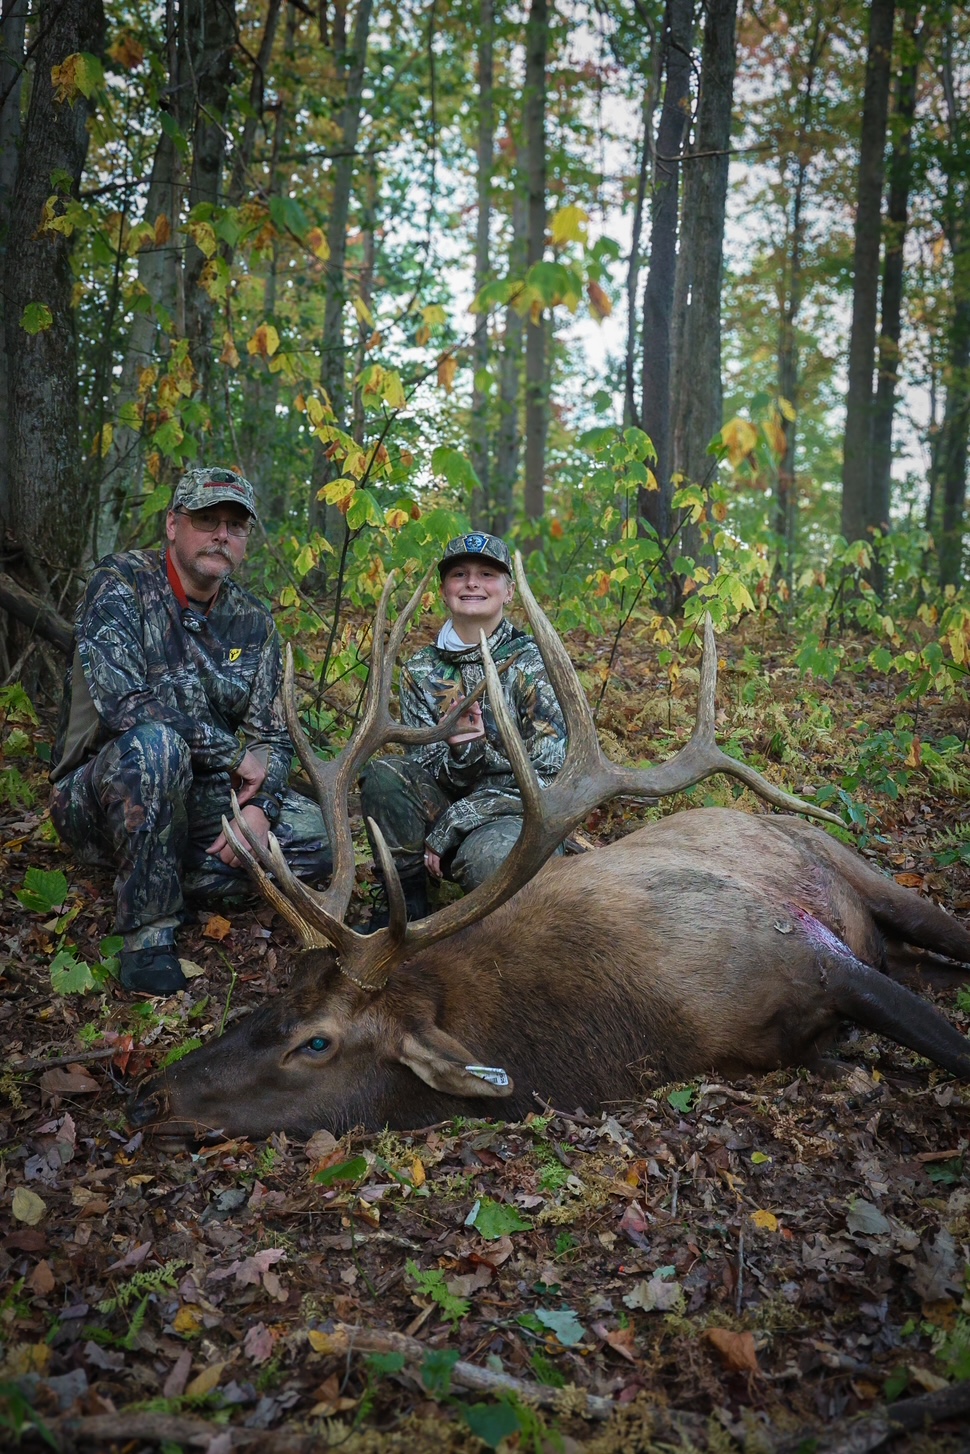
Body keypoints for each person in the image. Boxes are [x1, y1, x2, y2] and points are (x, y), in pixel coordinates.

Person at [49, 467, 331, 996]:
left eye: (235, 526)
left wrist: (259, 807)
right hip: (103, 787)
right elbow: (124, 706)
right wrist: (231, 754)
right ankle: (149, 936)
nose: (221, 535)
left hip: (197, 795)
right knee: (156, 747)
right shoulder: (120, 583)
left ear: (245, 542)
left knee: (320, 840)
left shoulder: (254, 622)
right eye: (207, 520)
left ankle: (164, 865)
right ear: (173, 525)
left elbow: (271, 735)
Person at [359, 531, 567, 924]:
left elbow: (553, 780)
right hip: (449, 808)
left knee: (493, 862)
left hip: (517, 818)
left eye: (487, 574)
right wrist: (462, 752)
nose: (472, 583)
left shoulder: (534, 664)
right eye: (459, 574)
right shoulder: (422, 669)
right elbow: (423, 765)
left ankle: (505, 944)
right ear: (444, 590)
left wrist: (464, 815)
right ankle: (403, 908)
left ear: (508, 592)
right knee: (385, 775)